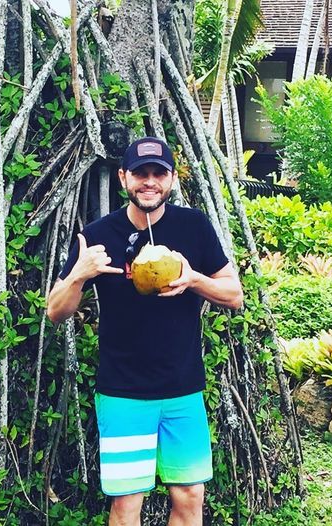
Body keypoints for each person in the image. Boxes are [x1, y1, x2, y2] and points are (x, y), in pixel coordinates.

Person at [47, 137, 243, 526]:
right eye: (140, 173)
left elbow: (234, 295)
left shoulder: (193, 226)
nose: (149, 182)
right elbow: (55, 311)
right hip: (123, 393)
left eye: (158, 173)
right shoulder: (99, 235)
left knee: (190, 496)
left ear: (171, 179)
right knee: (127, 503)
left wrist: (194, 279)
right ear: (123, 178)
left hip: (183, 391)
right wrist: (79, 276)